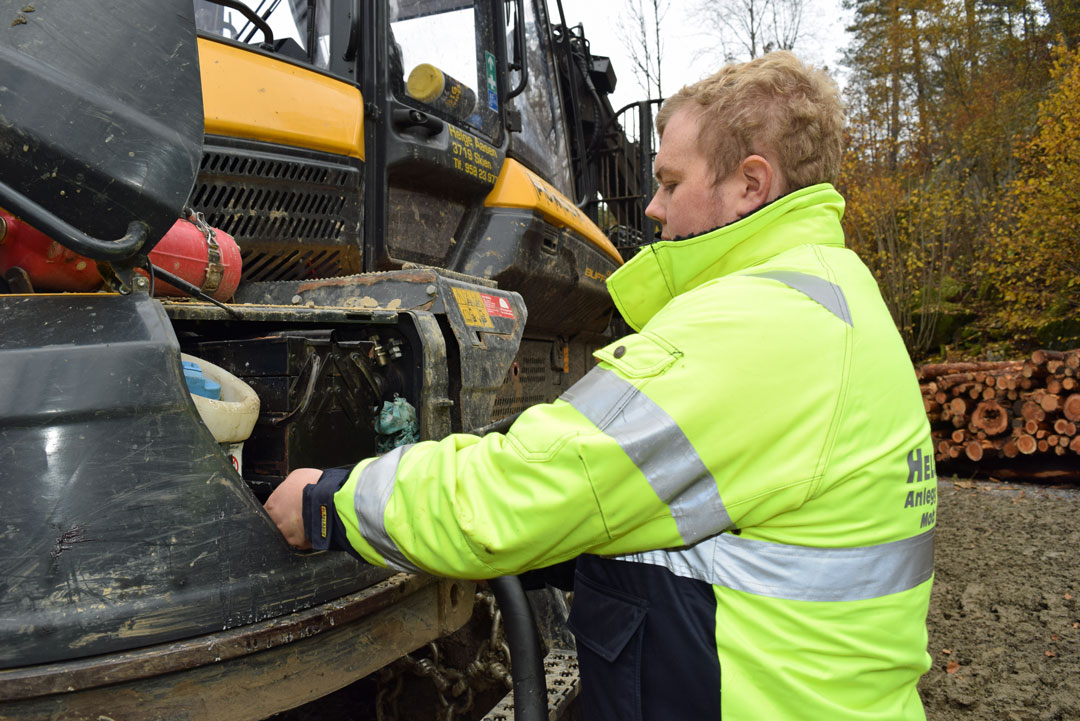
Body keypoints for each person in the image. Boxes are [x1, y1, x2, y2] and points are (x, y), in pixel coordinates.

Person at [265, 50, 937, 721]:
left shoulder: (754, 326)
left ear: (750, 184)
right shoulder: (831, 292)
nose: (653, 207)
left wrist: (334, 501)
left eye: (671, 183)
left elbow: (528, 487)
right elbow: (715, 522)